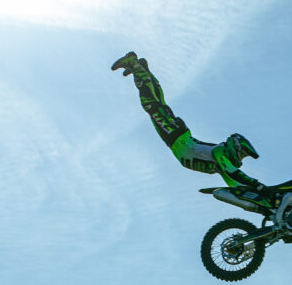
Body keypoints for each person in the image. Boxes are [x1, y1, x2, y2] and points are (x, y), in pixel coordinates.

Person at [111, 51, 270, 208]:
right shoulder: (220, 152)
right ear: (235, 146)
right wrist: (260, 187)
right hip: (177, 136)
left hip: (176, 139)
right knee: (152, 104)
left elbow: (236, 185)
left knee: (157, 103)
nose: (240, 159)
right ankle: (134, 64)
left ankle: (143, 69)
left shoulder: (221, 165)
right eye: (242, 153)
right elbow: (235, 173)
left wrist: (262, 198)